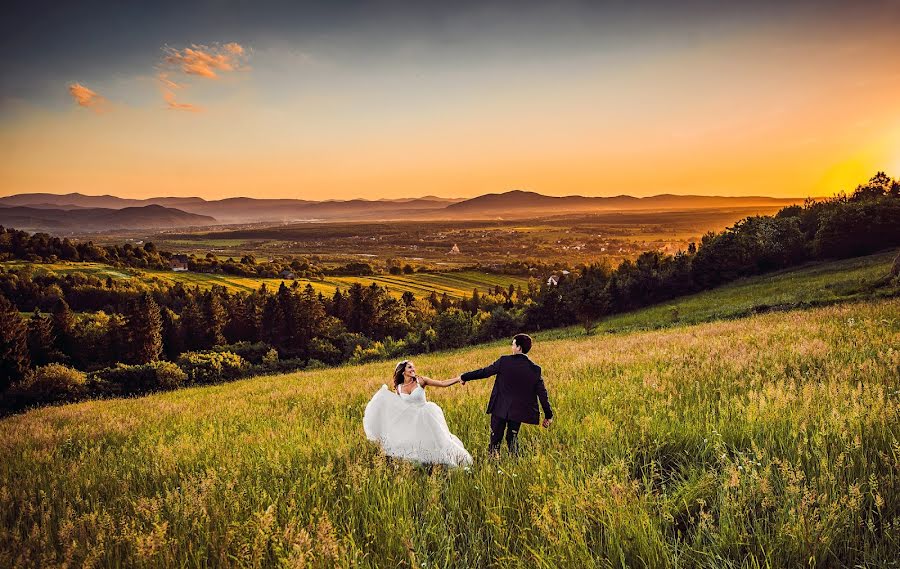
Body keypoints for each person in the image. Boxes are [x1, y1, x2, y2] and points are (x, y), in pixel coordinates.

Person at [450, 334, 553, 457]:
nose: (512, 347)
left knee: (495, 440)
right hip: (518, 411)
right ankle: (515, 463)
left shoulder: (504, 361)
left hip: (500, 408)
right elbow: (542, 394)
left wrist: (464, 376)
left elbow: (484, 372)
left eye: (513, 344)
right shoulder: (535, 369)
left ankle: (493, 463)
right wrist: (548, 415)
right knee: (512, 438)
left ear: (519, 347)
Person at [363, 360, 472, 467]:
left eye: (413, 367)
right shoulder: (399, 388)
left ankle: (452, 460)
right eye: (409, 367)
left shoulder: (421, 380)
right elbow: (397, 405)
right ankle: (427, 464)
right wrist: (381, 399)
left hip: (427, 415)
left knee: (439, 440)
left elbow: (442, 383)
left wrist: (458, 379)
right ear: (402, 371)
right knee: (417, 443)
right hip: (411, 419)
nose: (413, 369)